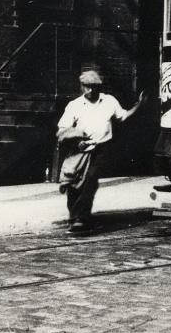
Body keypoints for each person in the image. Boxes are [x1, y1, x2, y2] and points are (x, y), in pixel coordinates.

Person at [56, 70, 145, 233]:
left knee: (90, 178)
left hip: (102, 148)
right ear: (82, 86)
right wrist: (77, 140)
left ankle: (80, 218)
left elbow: (123, 116)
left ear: (99, 87)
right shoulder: (74, 105)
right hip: (80, 149)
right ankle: (74, 216)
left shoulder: (109, 101)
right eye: (86, 87)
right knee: (75, 183)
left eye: (93, 87)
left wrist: (139, 105)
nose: (90, 91)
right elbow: (63, 129)